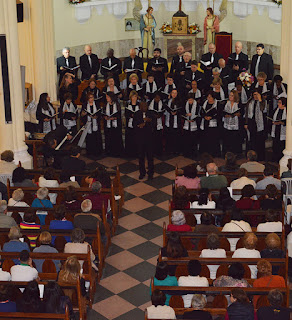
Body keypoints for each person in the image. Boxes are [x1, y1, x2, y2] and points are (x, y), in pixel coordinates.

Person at [133, 101, 154, 180]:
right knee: (141, 157)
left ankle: (151, 173)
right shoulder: (137, 114)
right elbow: (134, 125)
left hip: (149, 139)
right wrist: (140, 125)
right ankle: (142, 173)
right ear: (140, 107)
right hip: (140, 139)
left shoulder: (151, 114)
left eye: (145, 106)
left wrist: (149, 121)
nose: (144, 107)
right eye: (142, 106)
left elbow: (154, 125)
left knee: (150, 157)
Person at [245, 89, 267, 161]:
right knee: (252, 140)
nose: (256, 96)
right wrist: (246, 123)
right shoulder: (250, 102)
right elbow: (246, 113)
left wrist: (260, 100)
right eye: (254, 94)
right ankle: (251, 156)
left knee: (259, 140)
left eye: (257, 94)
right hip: (251, 122)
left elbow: (263, 110)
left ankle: (260, 157)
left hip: (260, 122)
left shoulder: (263, 102)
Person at [81, 92, 103, 157]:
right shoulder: (85, 105)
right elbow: (82, 114)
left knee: (97, 137)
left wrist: (96, 117)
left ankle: (98, 152)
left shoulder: (96, 104)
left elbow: (99, 113)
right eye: (90, 97)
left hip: (95, 123)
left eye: (92, 97)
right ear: (87, 98)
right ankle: (90, 152)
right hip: (88, 124)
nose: (92, 99)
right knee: (89, 138)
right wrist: (83, 114)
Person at [199, 91, 221, 157]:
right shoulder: (205, 103)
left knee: (213, 139)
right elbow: (201, 112)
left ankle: (213, 153)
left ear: (213, 97)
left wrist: (211, 117)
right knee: (205, 138)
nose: (208, 98)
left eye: (210, 97)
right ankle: (206, 152)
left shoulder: (217, 104)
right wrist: (205, 116)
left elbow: (219, 114)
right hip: (206, 123)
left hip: (213, 125)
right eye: (208, 97)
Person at [103, 91, 124, 156]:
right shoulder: (105, 104)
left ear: (111, 97)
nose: (106, 98)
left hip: (115, 126)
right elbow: (103, 113)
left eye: (108, 97)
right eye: (106, 97)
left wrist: (114, 118)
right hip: (108, 125)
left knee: (115, 139)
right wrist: (105, 117)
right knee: (108, 138)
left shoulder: (117, 104)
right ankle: (108, 152)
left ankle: (116, 152)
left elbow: (119, 115)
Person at [222, 90, 243, 155]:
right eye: (229, 95)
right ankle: (226, 153)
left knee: (235, 140)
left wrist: (238, 114)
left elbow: (242, 113)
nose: (230, 96)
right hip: (227, 124)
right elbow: (223, 112)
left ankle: (235, 153)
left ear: (235, 96)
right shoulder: (226, 103)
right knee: (227, 139)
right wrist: (226, 115)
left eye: (232, 95)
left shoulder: (238, 104)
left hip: (236, 125)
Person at [181, 93, 201, 158]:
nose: (190, 102)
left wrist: (194, 119)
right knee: (186, 139)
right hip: (187, 124)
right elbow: (182, 113)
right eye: (189, 100)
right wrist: (186, 115)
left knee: (193, 140)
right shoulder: (185, 104)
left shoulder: (197, 105)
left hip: (194, 124)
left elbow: (199, 115)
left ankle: (193, 153)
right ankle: (187, 153)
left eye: (191, 100)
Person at [165, 89, 182, 154]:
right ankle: (169, 149)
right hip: (169, 119)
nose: (174, 94)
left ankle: (176, 150)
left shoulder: (179, 101)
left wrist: (176, 112)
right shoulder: (168, 101)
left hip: (176, 120)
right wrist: (170, 111)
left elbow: (181, 110)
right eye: (173, 93)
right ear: (170, 93)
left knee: (176, 136)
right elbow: (166, 107)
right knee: (169, 135)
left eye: (175, 93)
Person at [271, 97, 287, 162]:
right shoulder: (276, 110)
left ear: (283, 104)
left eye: (280, 103)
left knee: (281, 145)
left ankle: (281, 159)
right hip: (276, 129)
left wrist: (281, 122)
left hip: (282, 130)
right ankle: (275, 158)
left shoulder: (287, 111)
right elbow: (272, 117)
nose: (278, 104)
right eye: (278, 102)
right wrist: (273, 122)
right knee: (275, 144)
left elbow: (287, 121)